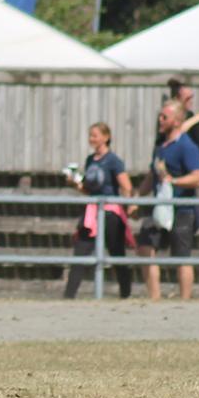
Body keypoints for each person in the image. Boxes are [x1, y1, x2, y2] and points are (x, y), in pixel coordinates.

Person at [129, 99, 199, 300]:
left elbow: (198, 177)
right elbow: (151, 175)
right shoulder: (160, 146)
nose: (160, 120)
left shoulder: (186, 146)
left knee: (181, 256)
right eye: (160, 116)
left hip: (182, 210)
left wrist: (175, 181)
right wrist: (138, 198)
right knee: (145, 247)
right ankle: (155, 298)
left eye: (165, 117)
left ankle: (184, 300)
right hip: (160, 208)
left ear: (178, 120)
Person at [63, 122, 135, 299]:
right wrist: (76, 184)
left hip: (110, 212)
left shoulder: (113, 161)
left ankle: (125, 293)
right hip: (92, 212)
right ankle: (69, 295)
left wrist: (130, 204)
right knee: (81, 251)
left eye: (95, 135)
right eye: (90, 135)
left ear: (106, 137)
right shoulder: (90, 160)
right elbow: (89, 189)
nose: (91, 139)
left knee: (117, 252)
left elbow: (126, 186)